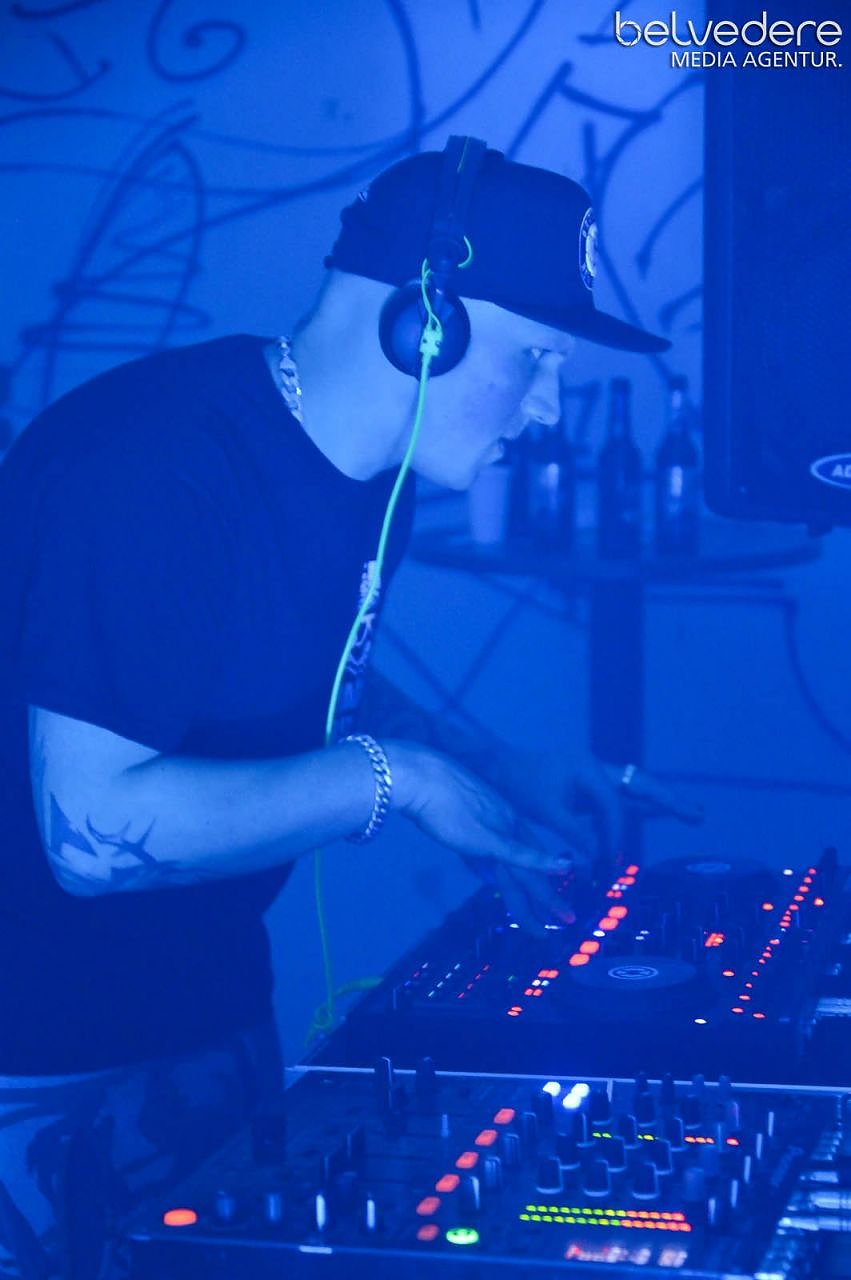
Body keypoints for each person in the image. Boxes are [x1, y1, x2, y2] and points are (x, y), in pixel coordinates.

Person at [0, 139, 700, 1277]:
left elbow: (310, 674)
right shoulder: (149, 471)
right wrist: (401, 779)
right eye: (534, 358)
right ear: (425, 324)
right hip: (36, 1051)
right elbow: (91, 834)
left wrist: (490, 765)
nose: (546, 407)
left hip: (211, 1009)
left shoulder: (374, 472)